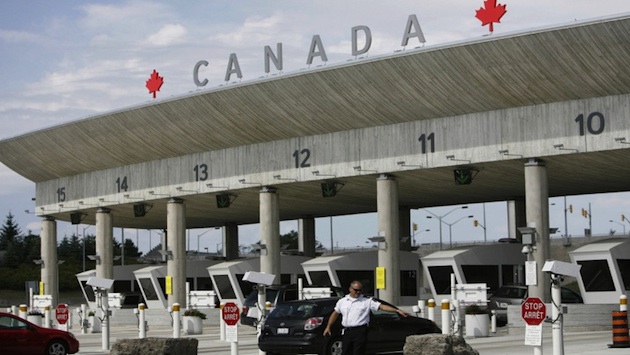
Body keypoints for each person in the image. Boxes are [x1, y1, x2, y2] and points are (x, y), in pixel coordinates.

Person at [323, 280, 408, 354]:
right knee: (345, 352)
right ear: (350, 289)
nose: (358, 292)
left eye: (360, 290)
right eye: (356, 290)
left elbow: (381, 306)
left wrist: (397, 311)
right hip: (347, 331)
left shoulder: (366, 301)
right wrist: (328, 327)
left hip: (360, 331)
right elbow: (335, 313)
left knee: (358, 352)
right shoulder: (343, 301)